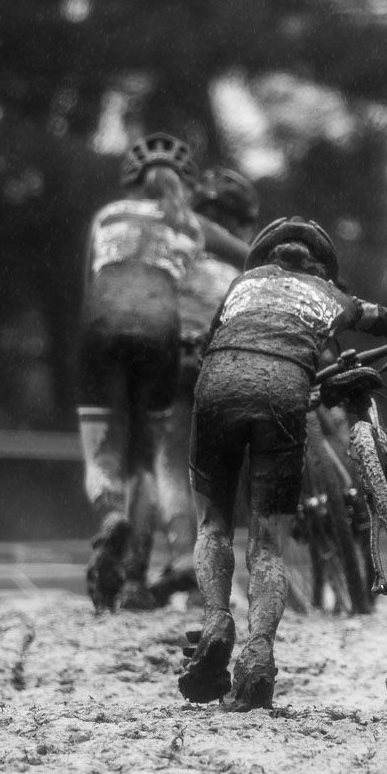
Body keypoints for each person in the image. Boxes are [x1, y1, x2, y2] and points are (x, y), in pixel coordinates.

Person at [178, 216, 387, 710]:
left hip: (218, 384)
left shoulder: (239, 287)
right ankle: (258, 656)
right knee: (267, 546)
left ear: (267, 259)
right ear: (323, 269)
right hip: (283, 392)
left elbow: (207, 347)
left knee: (214, 526)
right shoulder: (333, 297)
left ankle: (215, 620)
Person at [78, 133, 206, 613]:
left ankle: (111, 516)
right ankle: (141, 566)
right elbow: (181, 294)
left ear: (131, 181)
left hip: (101, 325)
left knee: (100, 451)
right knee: (145, 458)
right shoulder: (190, 227)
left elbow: (91, 280)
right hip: (160, 333)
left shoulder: (107, 215)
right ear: (186, 184)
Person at [150, 167, 260, 606]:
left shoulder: (174, 243)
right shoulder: (242, 262)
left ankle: (183, 553)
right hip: (236, 363)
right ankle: (217, 574)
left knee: (172, 459)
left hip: (178, 357)